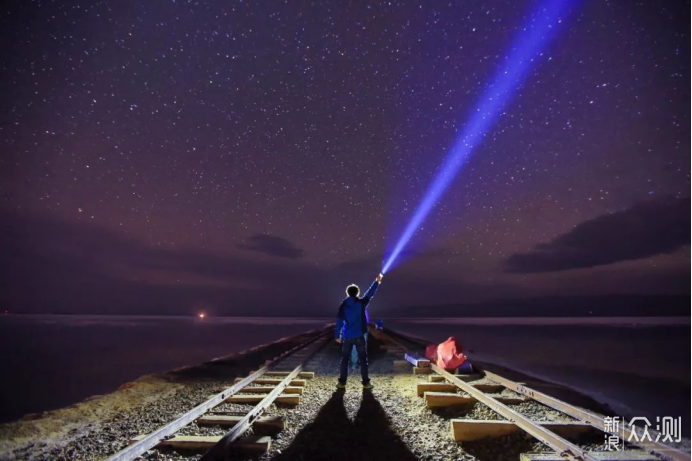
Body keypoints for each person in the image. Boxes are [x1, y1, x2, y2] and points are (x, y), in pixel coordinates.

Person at [335, 273, 383, 389]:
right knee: (363, 360)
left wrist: (337, 335)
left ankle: (342, 382)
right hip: (360, 336)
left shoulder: (343, 306)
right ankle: (366, 383)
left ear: (348, 293)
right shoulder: (361, 304)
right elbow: (370, 294)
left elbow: (339, 322)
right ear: (357, 293)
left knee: (345, 360)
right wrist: (377, 281)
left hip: (347, 337)